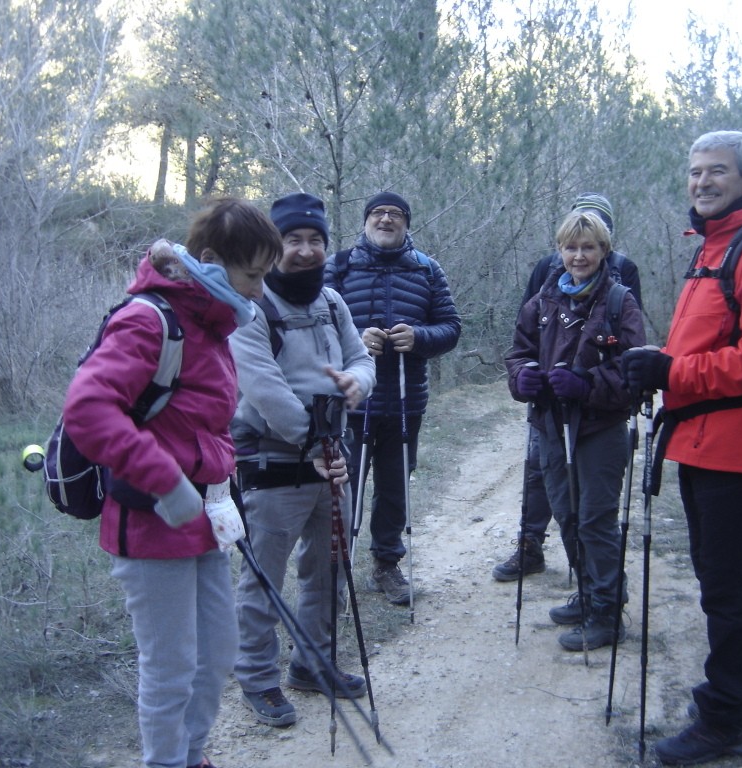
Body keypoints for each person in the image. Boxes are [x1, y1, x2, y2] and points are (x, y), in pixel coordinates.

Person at [63, 197, 280, 768]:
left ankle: (193, 755)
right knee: (171, 667)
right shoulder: (149, 319)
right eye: (252, 275)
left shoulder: (211, 326)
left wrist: (220, 483)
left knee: (216, 655)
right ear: (211, 260)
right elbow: (88, 409)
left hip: (204, 520)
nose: (259, 291)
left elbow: (201, 425)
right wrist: (167, 482)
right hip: (152, 522)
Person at [619, 130, 742, 764]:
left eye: (718, 171)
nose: (702, 182)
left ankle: (725, 717)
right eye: (695, 172)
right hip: (703, 437)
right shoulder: (715, 244)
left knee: (724, 586)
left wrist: (671, 374)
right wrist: (658, 362)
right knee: (719, 581)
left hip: (738, 441)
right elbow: (704, 346)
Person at [229, 192, 376, 727]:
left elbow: (361, 358)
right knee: (264, 576)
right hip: (276, 462)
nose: (307, 251)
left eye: (316, 240)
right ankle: (259, 678)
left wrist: (357, 382)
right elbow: (264, 389)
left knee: (329, 566)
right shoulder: (252, 306)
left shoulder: (332, 303)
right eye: (295, 240)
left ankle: (313, 664)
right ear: (275, 246)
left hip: (332, 456)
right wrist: (315, 446)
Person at [505, 209, 645, 651]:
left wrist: (587, 385)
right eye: (571, 247)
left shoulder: (620, 302)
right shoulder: (542, 302)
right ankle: (588, 593)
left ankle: (606, 611)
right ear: (559, 251)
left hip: (599, 429)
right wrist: (522, 377)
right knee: (566, 514)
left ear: (604, 251)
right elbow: (517, 353)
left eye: (588, 247)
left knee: (595, 519)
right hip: (550, 425)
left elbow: (635, 370)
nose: (578, 256)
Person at [325, 192, 461, 605]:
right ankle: (334, 566)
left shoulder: (427, 269)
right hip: (348, 401)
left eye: (395, 214)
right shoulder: (339, 265)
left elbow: (451, 328)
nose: (386, 220)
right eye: (378, 213)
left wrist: (418, 338)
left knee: (395, 487)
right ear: (365, 221)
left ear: (406, 223)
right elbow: (315, 324)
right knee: (341, 486)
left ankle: (386, 565)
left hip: (404, 402)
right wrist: (355, 337)